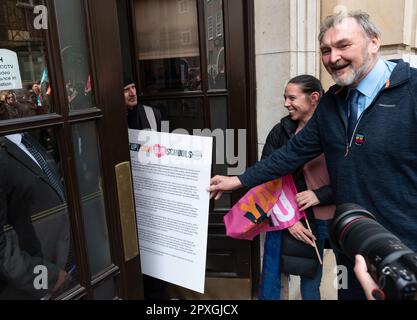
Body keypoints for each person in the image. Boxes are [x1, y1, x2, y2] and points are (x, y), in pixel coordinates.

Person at [209, 11, 417, 300]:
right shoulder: (332, 102)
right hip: (352, 246)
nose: (333, 57)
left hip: (406, 252)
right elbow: (290, 154)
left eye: (343, 45)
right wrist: (239, 180)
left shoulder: (412, 91)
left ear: (374, 42)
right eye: (326, 50)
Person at [0, 99, 71, 299]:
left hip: (60, 266)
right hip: (26, 289)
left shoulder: (25, 139)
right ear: (0, 108)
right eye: (20, 101)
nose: (33, 105)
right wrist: (47, 278)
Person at [259, 75, 335, 300]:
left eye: (292, 97)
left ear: (314, 98)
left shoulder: (336, 130)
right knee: (276, 275)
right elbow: (267, 176)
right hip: (288, 215)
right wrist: (289, 219)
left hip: (327, 217)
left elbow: (351, 178)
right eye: (284, 97)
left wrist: (319, 195)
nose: (285, 103)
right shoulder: (280, 131)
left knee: (315, 281)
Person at [123, 76, 168, 300]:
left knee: (155, 249)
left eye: (133, 87)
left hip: (152, 193)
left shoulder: (152, 113)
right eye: (125, 90)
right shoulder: (111, 120)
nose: (132, 93)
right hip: (126, 194)